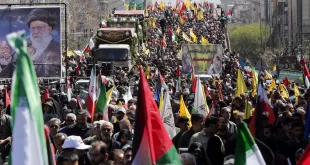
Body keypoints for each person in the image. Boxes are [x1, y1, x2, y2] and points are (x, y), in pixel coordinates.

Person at [26, 8, 61, 77]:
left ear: (49, 29)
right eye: (33, 28)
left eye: (39, 28)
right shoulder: (25, 48)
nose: (35, 32)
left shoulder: (58, 48)